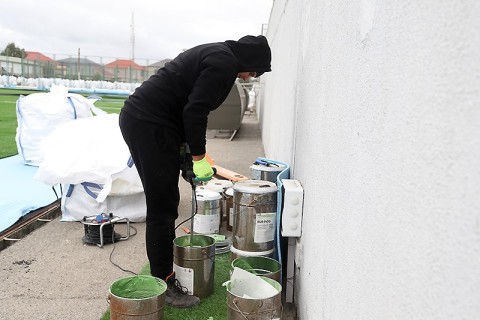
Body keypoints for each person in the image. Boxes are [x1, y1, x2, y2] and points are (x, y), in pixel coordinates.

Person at [118, 35, 272, 308]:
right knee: (162, 208)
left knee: (166, 203)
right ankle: (163, 285)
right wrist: (200, 158)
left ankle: (165, 274)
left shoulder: (218, 55)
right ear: (250, 60)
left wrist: (187, 157)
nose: (251, 76)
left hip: (158, 123)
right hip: (149, 123)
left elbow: (185, 104)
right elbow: (195, 111)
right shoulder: (224, 63)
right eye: (255, 70)